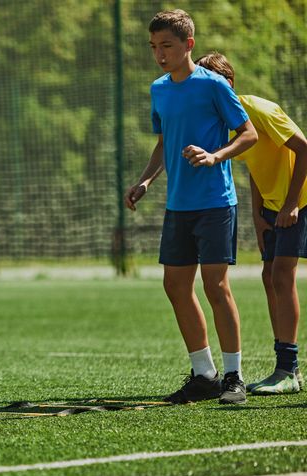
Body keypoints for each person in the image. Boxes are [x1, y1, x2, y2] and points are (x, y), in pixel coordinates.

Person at [124, 10, 258, 404]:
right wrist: (146, 179)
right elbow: (165, 140)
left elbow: (247, 133)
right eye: (154, 47)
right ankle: (204, 374)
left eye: (166, 45)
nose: (160, 54)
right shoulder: (159, 89)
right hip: (178, 205)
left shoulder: (213, 85)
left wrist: (216, 157)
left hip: (216, 202)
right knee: (175, 285)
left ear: (188, 45)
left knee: (216, 286)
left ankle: (234, 376)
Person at [196, 52, 307, 394]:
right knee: (269, 275)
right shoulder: (225, 122)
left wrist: (290, 204)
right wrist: (259, 216)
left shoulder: (258, 109)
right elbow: (253, 169)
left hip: (301, 201)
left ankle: (287, 371)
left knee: (281, 274)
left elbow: (304, 149)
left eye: (208, 86)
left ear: (228, 85)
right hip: (275, 208)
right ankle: (289, 369)